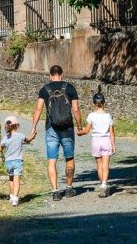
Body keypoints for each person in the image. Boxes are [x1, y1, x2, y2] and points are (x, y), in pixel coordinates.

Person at [27, 64, 83, 201]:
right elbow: (76, 110)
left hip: (51, 128)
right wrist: (80, 126)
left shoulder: (44, 90)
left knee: (52, 160)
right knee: (69, 158)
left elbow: (38, 109)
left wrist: (33, 128)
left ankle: (55, 191)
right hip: (67, 127)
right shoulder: (70, 88)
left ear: (50, 76)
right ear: (62, 74)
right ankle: (69, 188)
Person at [77, 90, 116, 197]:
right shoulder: (109, 116)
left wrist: (79, 133)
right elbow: (112, 133)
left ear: (94, 104)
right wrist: (113, 145)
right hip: (106, 141)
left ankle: (101, 184)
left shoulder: (91, 116)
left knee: (99, 165)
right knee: (106, 165)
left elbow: (86, 130)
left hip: (96, 141)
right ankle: (104, 184)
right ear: (104, 103)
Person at [0, 115, 29, 206]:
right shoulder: (20, 136)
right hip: (17, 161)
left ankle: (11, 196)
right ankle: (15, 198)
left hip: (8, 162)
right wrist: (32, 135)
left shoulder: (5, 138)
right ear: (17, 126)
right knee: (17, 180)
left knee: (11, 179)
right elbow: (27, 140)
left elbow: (0, 149)